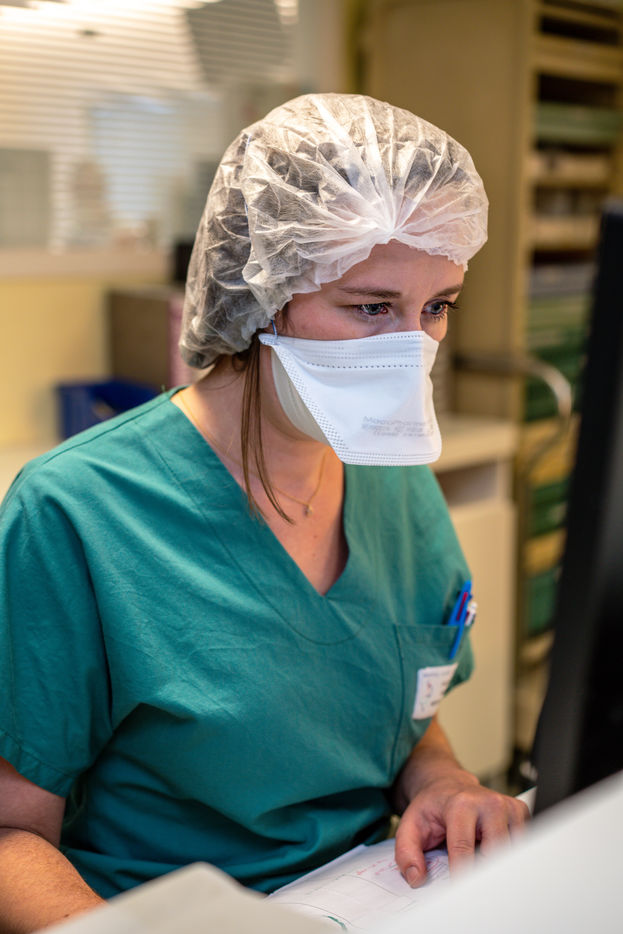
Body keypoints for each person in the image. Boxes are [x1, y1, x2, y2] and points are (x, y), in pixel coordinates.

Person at [0, 93, 528, 932]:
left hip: (368, 896)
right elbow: (10, 839)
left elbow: (399, 710)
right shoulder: (78, 513)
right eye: (371, 307)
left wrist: (440, 782)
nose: (413, 350)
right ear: (260, 290)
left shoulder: (388, 472)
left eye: (436, 307)